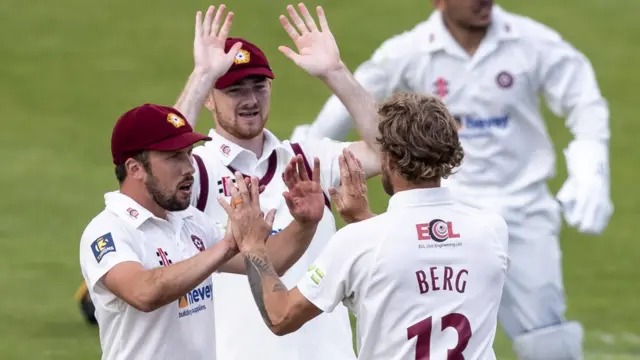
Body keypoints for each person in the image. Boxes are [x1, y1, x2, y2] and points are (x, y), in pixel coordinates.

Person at [291, 1, 613, 358]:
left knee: (547, 334)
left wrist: (591, 165)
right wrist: (306, 148)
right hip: (446, 206)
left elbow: (583, 98)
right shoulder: (411, 50)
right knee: (428, 316)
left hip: (524, 207)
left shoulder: (530, 41)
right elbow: (355, 96)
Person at [77, 7, 332, 360]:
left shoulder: (190, 224)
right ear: (135, 168)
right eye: (174, 158)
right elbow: (144, 292)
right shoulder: (107, 232)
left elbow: (265, 261)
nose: (190, 167)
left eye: (188, 154)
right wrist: (226, 246)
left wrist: (305, 224)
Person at [225, 91, 510, 360]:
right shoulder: (491, 230)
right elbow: (427, 250)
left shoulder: (358, 243)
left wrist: (253, 245)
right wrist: (363, 219)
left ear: (389, 158)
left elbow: (281, 316)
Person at [171, 3, 381, 360]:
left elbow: (386, 153)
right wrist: (201, 76)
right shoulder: (198, 171)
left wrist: (335, 72)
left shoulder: (310, 159)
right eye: (235, 89)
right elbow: (160, 165)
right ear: (210, 97)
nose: (251, 99)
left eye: (259, 86)